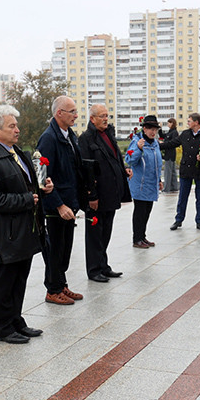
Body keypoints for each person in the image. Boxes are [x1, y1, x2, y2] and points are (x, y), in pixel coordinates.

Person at [0, 104, 53, 344]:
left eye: (16, 125)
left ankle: (16, 321)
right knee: (3, 282)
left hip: (23, 230)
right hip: (4, 233)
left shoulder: (16, 152)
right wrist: (25, 200)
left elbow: (27, 187)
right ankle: (3, 328)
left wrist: (41, 190)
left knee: (18, 279)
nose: (17, 129)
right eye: (12, 126)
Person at [37, 96, 85, 306]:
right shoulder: (49, 138)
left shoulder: (70, 135)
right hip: (56, 206)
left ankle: (61, 283)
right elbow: (43, 177)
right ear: (59, 114)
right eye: (72, 111)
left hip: (70, 201)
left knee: (65, 250)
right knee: (55, 250)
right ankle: (53, 289)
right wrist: (59, 204)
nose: (76, 115)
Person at [78, 104, 131, 281]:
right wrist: (91, 195)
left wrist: (123, 171)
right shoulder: (86, 139)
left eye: (107, 116)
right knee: (94, 234)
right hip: (97, 196)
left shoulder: (109, 135)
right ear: (92, 118)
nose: (105, 119)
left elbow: (115, 159)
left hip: (111, 193)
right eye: (101, 116)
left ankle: (103, 265)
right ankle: (94, 270)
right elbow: (86, 169)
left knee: (106, 232)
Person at [164, 113, 200, 231]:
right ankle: (178, 220)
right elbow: (172, 144)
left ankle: (199, 221)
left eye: (189, 121)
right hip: (186, 170)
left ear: (196, 122)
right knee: (182, 196)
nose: (187, 123)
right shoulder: (185, 134)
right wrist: (158, 145)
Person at [126, 115, 163, 249]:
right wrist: (139, 149)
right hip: (140, 184)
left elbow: (157, 163)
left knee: (147, 211)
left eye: (155, 129)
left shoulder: (155, 143)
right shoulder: (137, 141)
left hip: (151, 184)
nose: (153, 132)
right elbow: (129, 160)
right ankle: (137, 239)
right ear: (144, 129)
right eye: (150, 129)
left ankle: (142, 236)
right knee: (140, 212)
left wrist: (159, 180)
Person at [161, 117, 180, 192]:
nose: (168, 124)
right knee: (172, 172)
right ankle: (174, 187)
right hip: (169, 154)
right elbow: (163, 136)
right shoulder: (170, 132)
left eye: (169, 122)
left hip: (170, 154)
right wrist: (160, 128)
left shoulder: (174, 132)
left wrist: (163, 144)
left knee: (168, 172)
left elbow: (173, 143)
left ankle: (166, 188)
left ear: (172, 123)